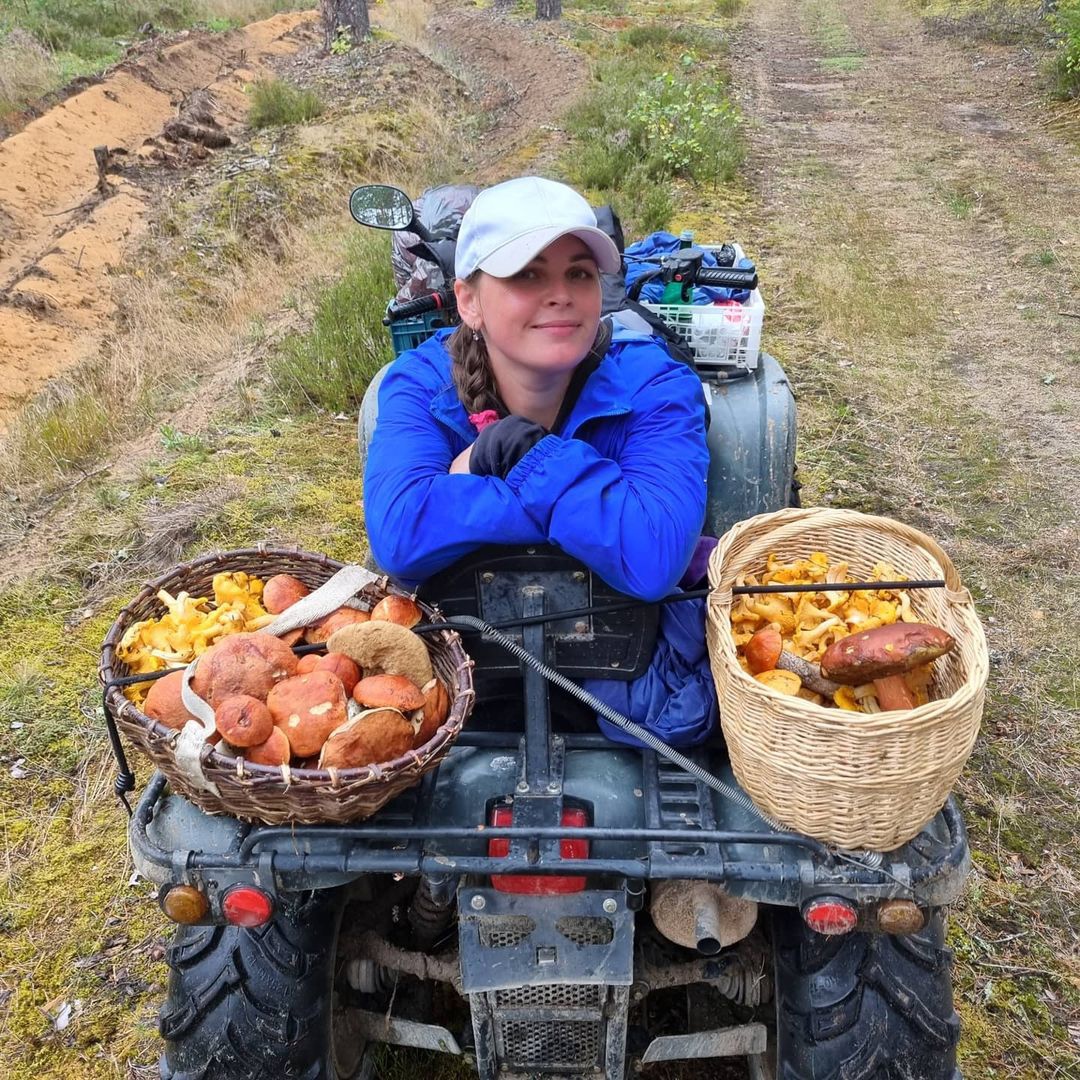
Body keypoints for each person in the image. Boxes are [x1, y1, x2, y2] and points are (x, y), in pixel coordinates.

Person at [363, 176, 718, 745]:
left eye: (579, 272)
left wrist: (514, 460)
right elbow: (400, 536)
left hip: (625, 674)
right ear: (468, 301)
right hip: (465, 674)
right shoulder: (421, 383)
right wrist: (602, 511)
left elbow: (652, 557)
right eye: (527, 274)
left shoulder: (653, 384)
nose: (562, 294)